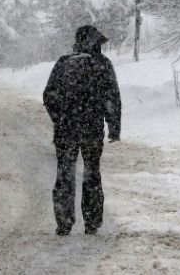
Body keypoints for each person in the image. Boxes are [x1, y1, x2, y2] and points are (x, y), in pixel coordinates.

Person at [42, 25, 121, 236]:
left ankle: (64, 222)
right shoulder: (103, 64)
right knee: (92, 175)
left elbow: (49, 95)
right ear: (96, 44)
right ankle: (92, 222)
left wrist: (60, 119)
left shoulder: (64, 63)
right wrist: (113, 127)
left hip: (66, 131)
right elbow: (112, 97)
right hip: (92, 131)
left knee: (64, 175)